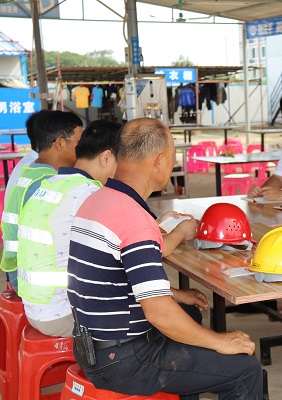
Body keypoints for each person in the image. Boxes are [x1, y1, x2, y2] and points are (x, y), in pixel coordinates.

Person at [67, 118, 262, 399]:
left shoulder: (97, 199)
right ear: (158, 162)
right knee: (245, 369)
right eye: (172, 157)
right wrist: (220, 342)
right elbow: (158, 312)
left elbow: (116, 279)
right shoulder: (134, 219)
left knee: (190, 315)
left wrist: (176, 295)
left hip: (89, 346)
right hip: (124, 360)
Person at [16, 120, 121, 337]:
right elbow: (126, 251)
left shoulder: (51, 184)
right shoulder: (88, 193)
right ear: (106, 158)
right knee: (155, 316)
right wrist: (177, 232)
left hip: (37, 307)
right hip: (63, 313)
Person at [1, 110, 83, 291]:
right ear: (59, 143)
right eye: (80, 141)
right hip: (36, 282)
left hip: (19, 269)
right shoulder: (48, 182)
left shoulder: (30, 172)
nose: (84, 147)